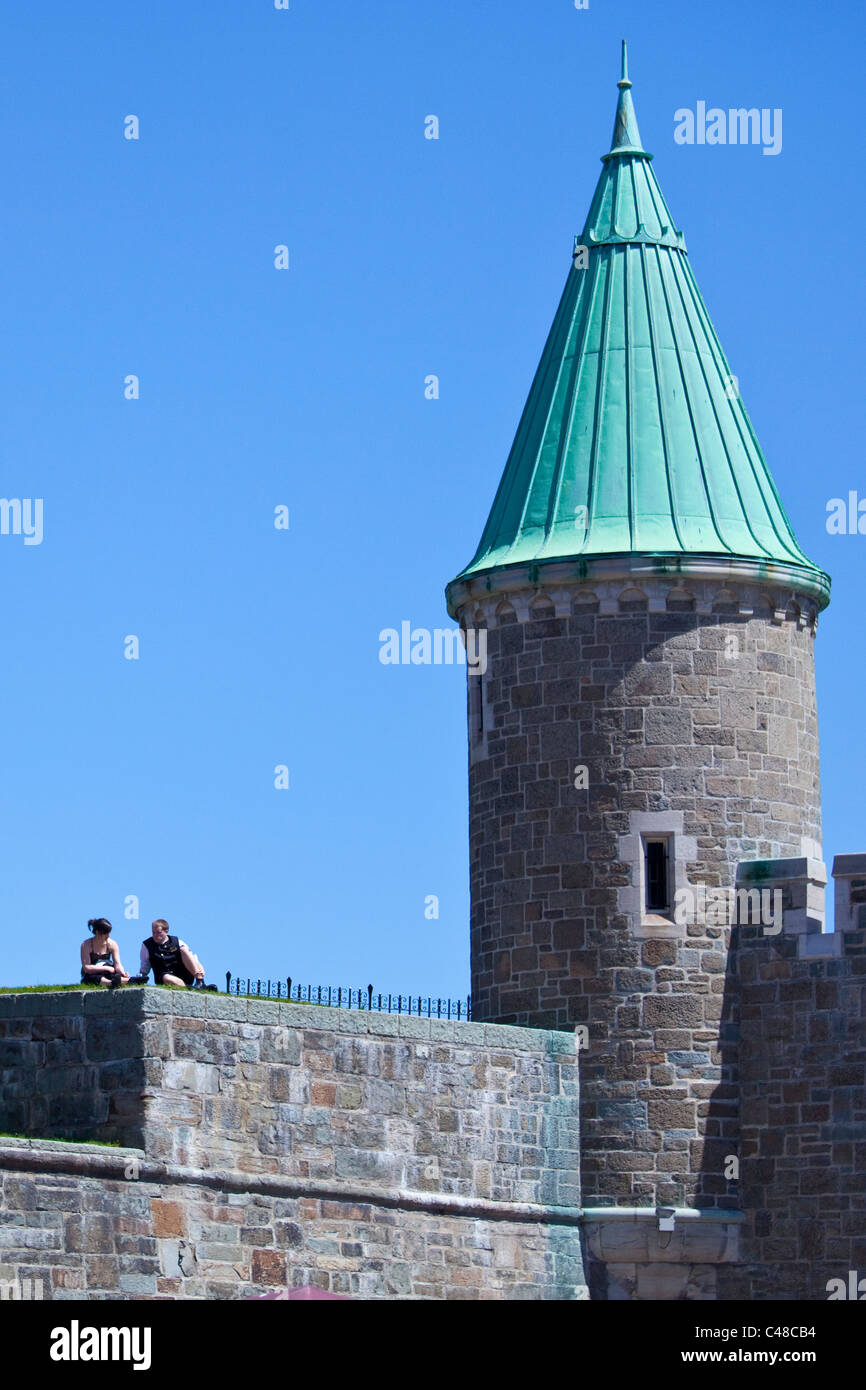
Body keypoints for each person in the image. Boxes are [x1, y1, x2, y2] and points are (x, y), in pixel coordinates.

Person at [139, 918, 216, 989]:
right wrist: (141, 977)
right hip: (164, 978)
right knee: (167, 978)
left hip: (183, 975)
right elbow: (145, 966)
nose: (155, 935)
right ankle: (190, 989)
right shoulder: (146, 945)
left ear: (166, 932)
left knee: (183, 950)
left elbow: (192, 957)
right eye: (153, 932)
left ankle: (200, 982)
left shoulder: (177, 942)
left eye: (158, 932)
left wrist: (199, 968)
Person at [80, 918, 130, 988]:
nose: (108, 935)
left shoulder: (112, 944)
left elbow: (117, 964)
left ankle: (126, 980)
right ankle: (112, 983)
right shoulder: (86, 945)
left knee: (114, 974)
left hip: (108, 972)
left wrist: (123, 973)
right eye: (105, 933)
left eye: (109, 932)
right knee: (90, 978)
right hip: (92, 973)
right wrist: (105, 968)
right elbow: (87, 967)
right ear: (97, 932)